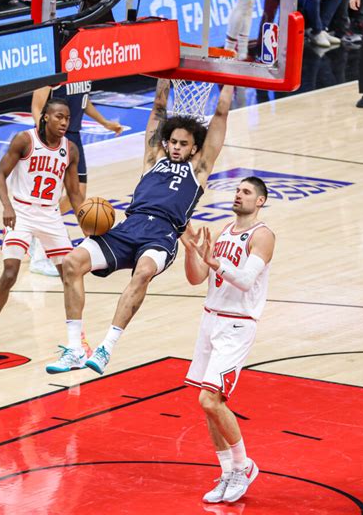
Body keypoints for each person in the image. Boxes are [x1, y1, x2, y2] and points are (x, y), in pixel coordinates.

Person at [47, 80, 235, 375]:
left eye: (183, 144)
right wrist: (164, 78)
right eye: (172, 141)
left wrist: (230, 81)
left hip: (162, 234)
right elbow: (158, 109)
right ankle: (74, 348)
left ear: (194, 147)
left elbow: (221, 115)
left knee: (144, 271)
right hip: (129, 226)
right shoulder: (152, 159)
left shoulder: (199, 168)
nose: (175, 147)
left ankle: (106, 347)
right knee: (72, 262)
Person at [181, 177, 275, 505]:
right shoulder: (223, 231)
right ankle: (226, 471)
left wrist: (215, 261)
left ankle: (244, 466)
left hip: (237, 325)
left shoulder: (262, 235)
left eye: (246, 192)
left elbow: (247, 280)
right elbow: (196, 279)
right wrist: (191, 251)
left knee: (210, 401)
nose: (238, 195)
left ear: (260, 201)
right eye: (237, 191)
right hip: (210, 319)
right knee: (208, 407)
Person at [0, 99, 84, 364]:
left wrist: (88, 227)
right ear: (45, 117)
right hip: (20, 211)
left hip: (50, 215)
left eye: (67, 118)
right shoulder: (25, 140)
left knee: (71, 274)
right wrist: (6, 205)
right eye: (59, 117)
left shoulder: (71, 150)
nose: (64, 122)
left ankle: (77, 341)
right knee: (10, 273)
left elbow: (75, 194)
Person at [29, 83, 122, 277]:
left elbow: (83, 101)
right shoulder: (53, 73)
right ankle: (39, 255)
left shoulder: (83, 68)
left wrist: (105, 122)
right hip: (55, 138)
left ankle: (33, 231)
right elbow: (37, 107)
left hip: (74, 137)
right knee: (51, 196)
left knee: (78, 194)